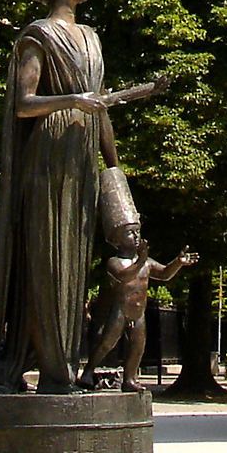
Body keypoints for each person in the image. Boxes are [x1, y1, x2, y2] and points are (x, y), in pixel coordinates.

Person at [0, 0, 166, 449]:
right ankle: (54, 370)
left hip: (81, 157)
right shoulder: (37, 36)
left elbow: (101, 109)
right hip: (48, 159)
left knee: (75, 265)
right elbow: (24, 104)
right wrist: (73, 101)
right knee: (49, 265)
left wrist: (114, 167)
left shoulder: (91, 38)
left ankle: (69, 366)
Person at [77, 168, 199, 392]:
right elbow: (124, 276)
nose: (135, 237)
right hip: (121, 310)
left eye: (137, 232)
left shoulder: (146, 262)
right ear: (116, 238)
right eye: (129, 233)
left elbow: (163, 274)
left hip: (139, 311)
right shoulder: (115, 262)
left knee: (138, 346)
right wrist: (141, 259)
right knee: (107, 342)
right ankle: (88, 371)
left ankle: (129, 379)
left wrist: (178, 262)